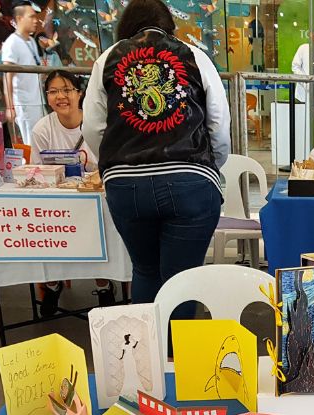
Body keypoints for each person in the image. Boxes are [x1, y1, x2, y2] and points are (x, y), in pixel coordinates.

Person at [83, 0, 230, 309]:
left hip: (126, 185)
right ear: (170, 27)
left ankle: (147, 340)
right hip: (190, 181)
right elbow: (218, 122)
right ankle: (177, 342)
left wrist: (113, 166)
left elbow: (93, 128)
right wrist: (212, 166)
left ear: (125, 26)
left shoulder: (107, 59)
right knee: (182, 280)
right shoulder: (195, 56)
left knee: (145, 270)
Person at [31, 71, 111, 314]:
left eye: (67, 90)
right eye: (53, 91)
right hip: (58, 201)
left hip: (95, 199)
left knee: (99, 232)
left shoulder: (98, 124)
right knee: (47, 230)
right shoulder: (42, 129)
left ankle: (104, 285)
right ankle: (52, 285)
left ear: (80, 93)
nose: (60, 97)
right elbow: (37, 172)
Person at [1, 2, 44, 146]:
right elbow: (8, 76)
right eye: (31, 17)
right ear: (19, 18)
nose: (35, 20)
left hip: (37, 100)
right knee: (30, 143)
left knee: (40, 140)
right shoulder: (12, 43)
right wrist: (10, 107)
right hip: (25, 102)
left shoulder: (31, 41)